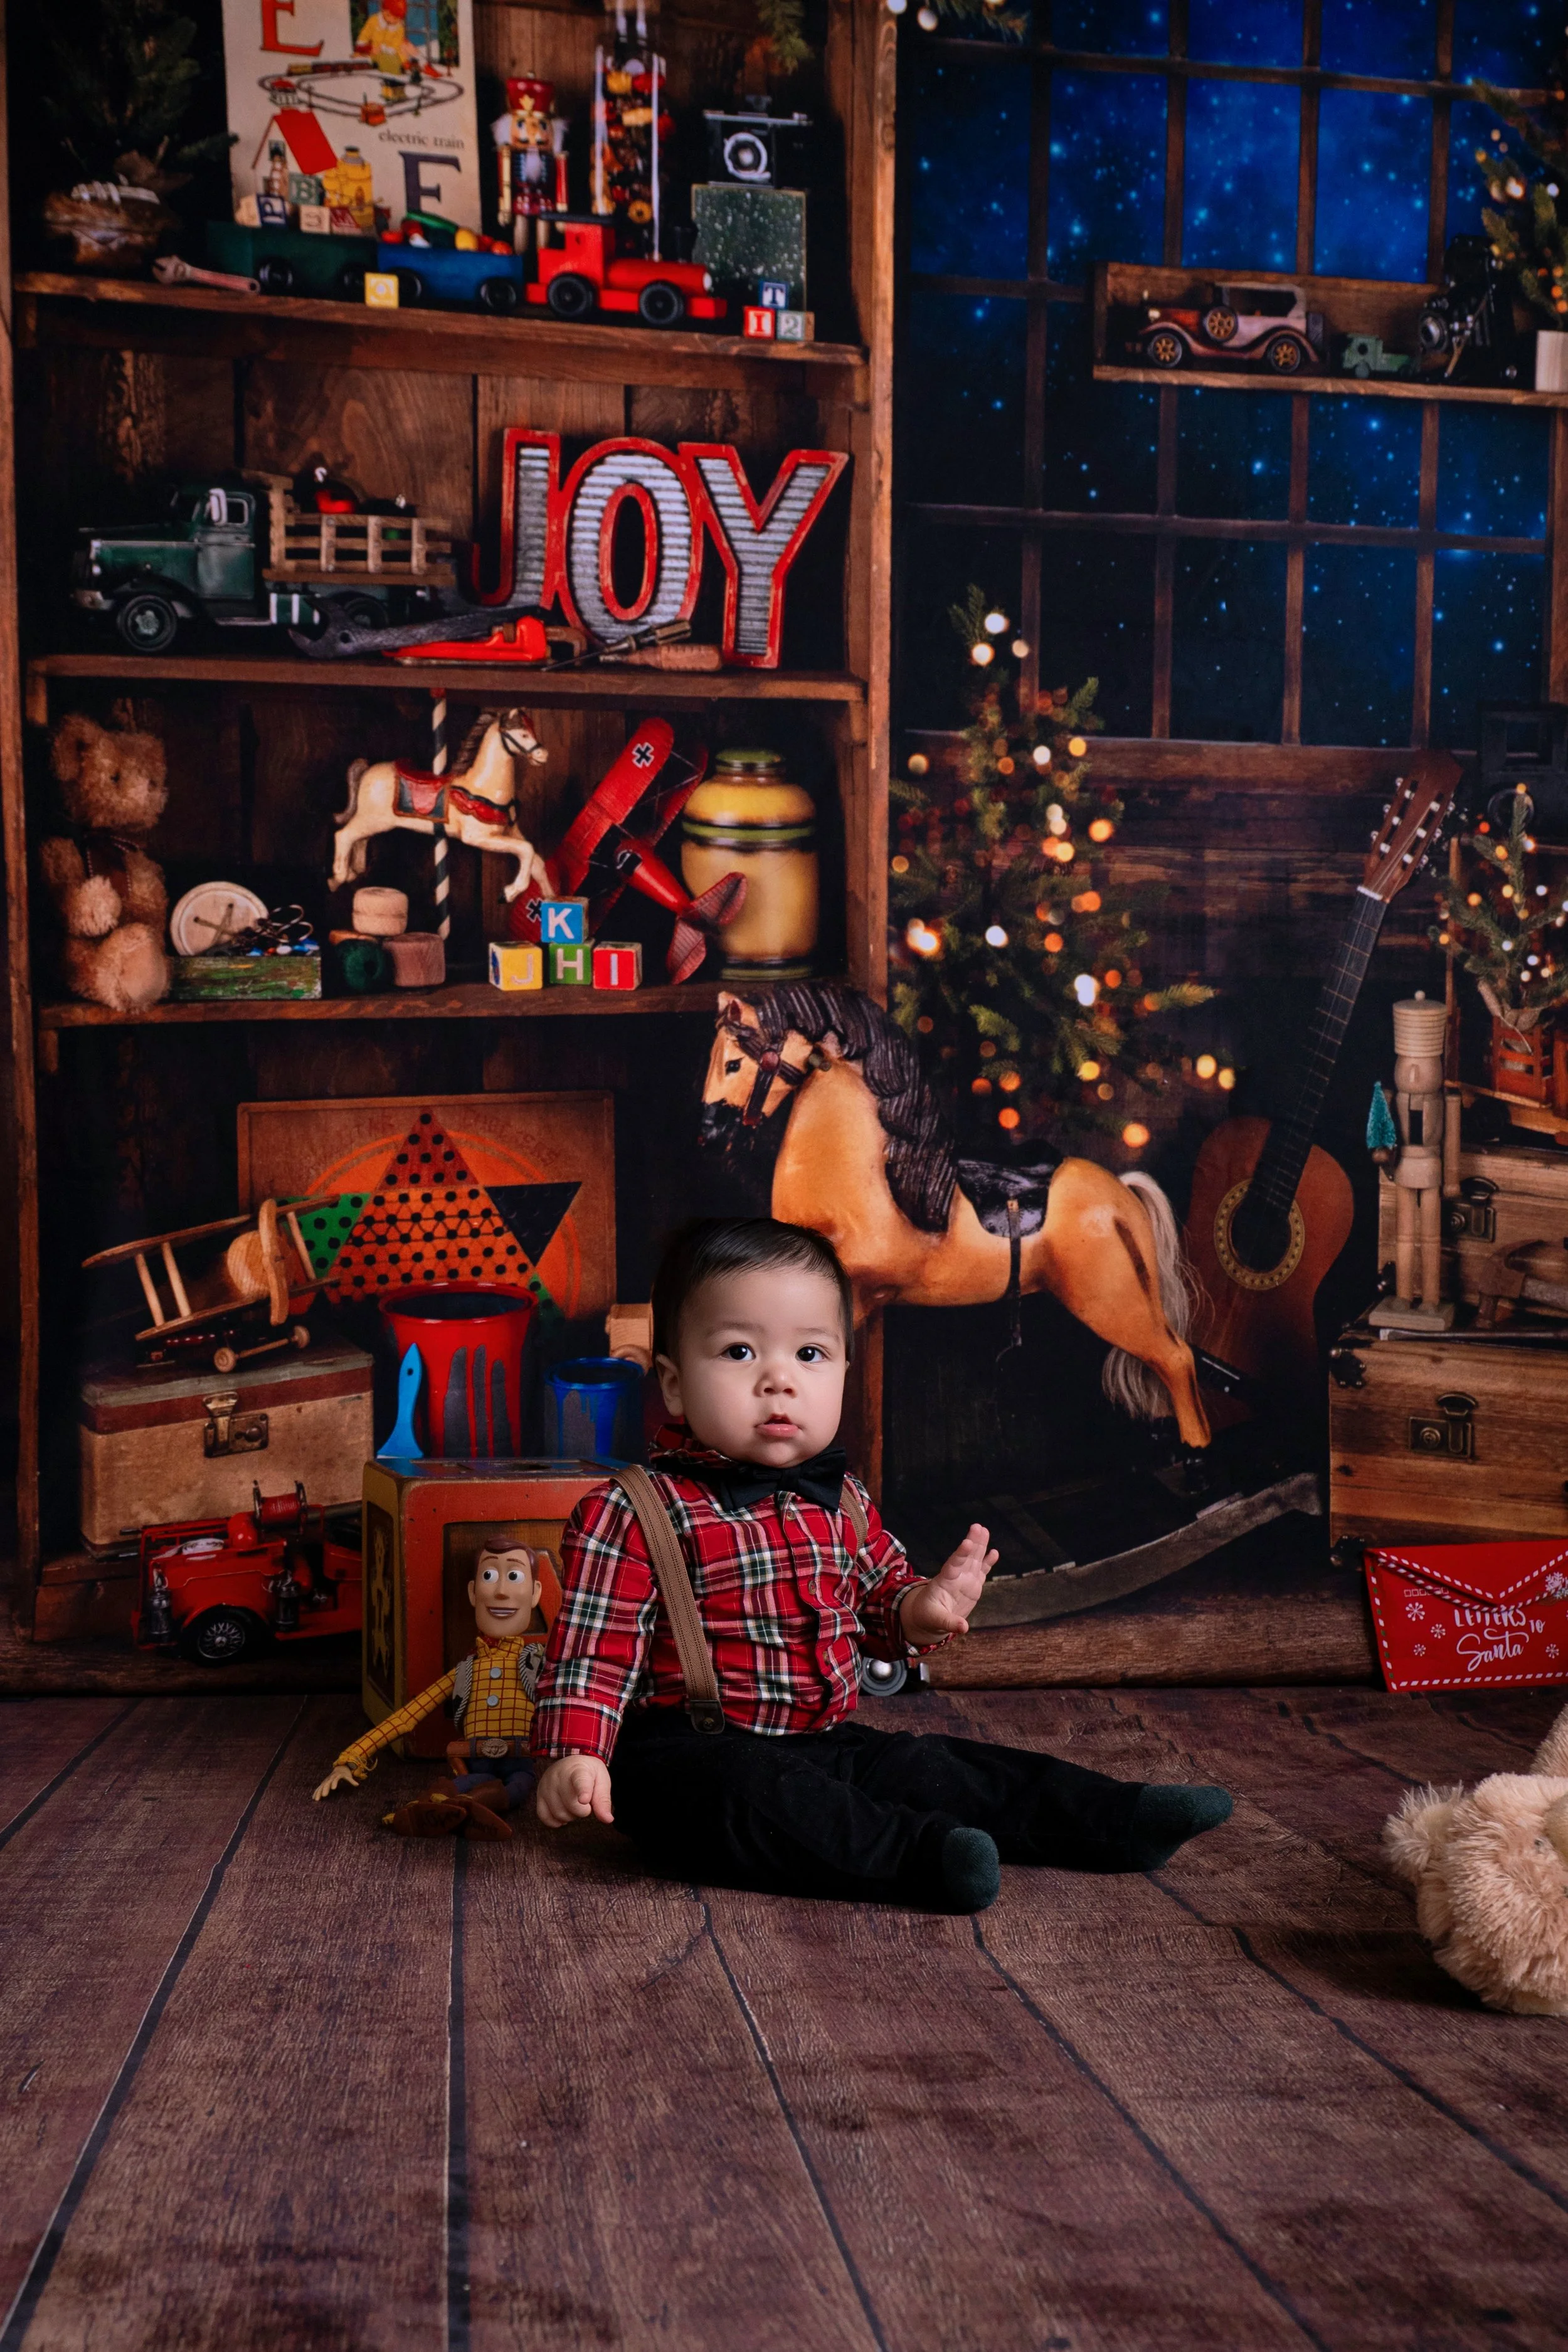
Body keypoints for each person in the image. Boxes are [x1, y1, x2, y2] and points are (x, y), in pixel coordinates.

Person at [531, 1217, 1232, 1912]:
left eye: (809, 1354)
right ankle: (921, 1858)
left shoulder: (842, 1499)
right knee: (749, 1794)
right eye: (740, 1352)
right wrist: (578, 1752)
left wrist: (923, 1608)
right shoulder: (631, 1511)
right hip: (688, 1755)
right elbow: (593, 1655)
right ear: (676, 1385)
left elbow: (878, 1604)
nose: (779, 1380)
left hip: (822, 1741)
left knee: (930, 1766)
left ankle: (1116, 1818)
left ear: (841, 1368)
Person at [313, 1542, 546, 1839]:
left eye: (514, 1577)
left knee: (519, 1785)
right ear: (473, 1592)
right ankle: (424, 1809)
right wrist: (350, 1758)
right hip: (474, 1758)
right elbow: (407, 1716)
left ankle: (473, 1808)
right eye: (489, 1576)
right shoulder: (466, 1671)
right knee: (458, 1784)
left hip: (520, 1757)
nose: (500, 1591)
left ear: (536, 1593)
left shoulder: (539, 1663)